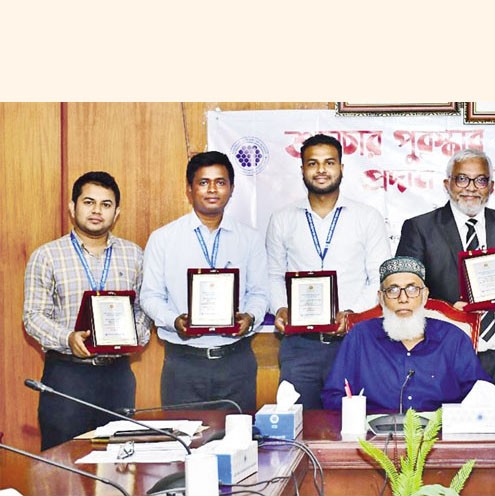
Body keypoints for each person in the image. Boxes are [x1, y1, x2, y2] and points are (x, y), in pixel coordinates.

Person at [23, 171, 151, 449]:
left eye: (106, 204)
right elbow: (33, 316)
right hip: (67, 375)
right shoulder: (47, 256)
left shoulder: (134, 255)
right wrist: (67, 338)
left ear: (116, 213)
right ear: (73, 207)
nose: (97, 211)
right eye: (89, 202)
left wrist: (135, 336)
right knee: (63, 462)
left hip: (117, 376)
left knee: (118, 460)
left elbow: (144, 309)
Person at [396, 149, 495, 404]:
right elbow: (405, 291)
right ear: (447, 184)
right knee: (443, 427)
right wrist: (447, 312)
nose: (471, 187)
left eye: (480, 180)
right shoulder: (420, 228)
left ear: (491, 187)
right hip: (442, 352)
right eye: (462, 179)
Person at [267, 134, 390, 409]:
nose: (321, 170)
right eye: (313, 163)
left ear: (341, 168)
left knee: (353, 424)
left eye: (329, 162)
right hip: (299, 346)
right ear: (302, 169)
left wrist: (352, 314)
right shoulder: (282, 219)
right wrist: (280, 308)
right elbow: (273, 275)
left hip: (354, 341)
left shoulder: (367, 217)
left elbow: (379, 278)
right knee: (298, 423)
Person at [141, 151, 268, 413]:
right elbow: (150, 296)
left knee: (238, 435)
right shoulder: (163, 238)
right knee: (184, 436)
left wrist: (250, 317)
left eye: (220, 182)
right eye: (203, 182)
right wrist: (175, 321)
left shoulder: (250, 239)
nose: (212, 190)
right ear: (189, 190)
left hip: (236, 361)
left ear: (231, 189)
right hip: (184, 364)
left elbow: (260, 293)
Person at [322, 257, 491, 413]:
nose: (403, 298)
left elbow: (481, 393)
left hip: (439, 432)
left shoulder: (453, 338)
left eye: (412, 289)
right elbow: (333, 395)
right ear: (381, 298)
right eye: (393, 290)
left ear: (424, 295)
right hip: (373, 432)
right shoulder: (361, 336)